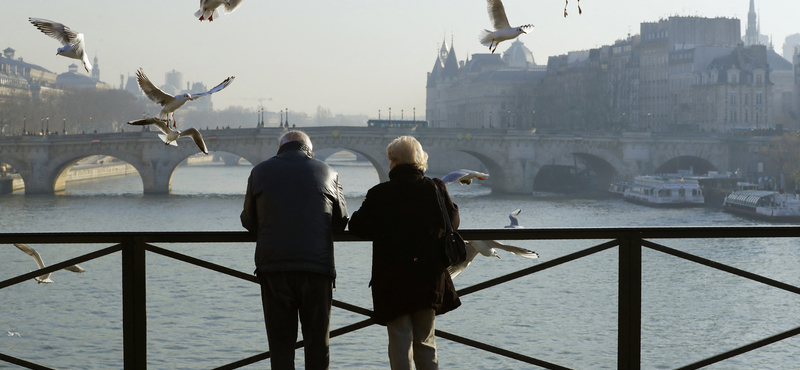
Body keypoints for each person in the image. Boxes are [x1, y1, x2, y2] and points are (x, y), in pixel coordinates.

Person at [348, 136, 461, 370]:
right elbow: (453, 221)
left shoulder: (380, 193)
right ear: (420, 159)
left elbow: (357, 226)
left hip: (393, 278)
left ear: (394, 161)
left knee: (400, 341)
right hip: (428, 276)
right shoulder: (436, 188)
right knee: (426, 341)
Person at [241, 130, 349, 370]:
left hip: (274, 267)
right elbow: (341, 222)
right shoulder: (330, 172)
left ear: (280, 148)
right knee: (317, 343)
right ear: (309, 150)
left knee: (280, 344)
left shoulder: (259, 171)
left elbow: (249, 221)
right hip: (317, 268)